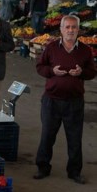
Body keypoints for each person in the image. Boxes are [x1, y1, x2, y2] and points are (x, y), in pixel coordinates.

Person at [34, 15, 96, 184]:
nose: (70, 30)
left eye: (73, 27)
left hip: (74, 102)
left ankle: (74, 172)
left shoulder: (85, 50)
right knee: (47, 136)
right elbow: (40, 66)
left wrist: (81, 72)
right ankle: (42, 167)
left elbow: (92, 72)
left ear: (78, 30)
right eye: (67, 27)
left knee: (75, 138)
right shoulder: (51, 48)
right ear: (61, 29)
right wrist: (52, 71)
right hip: (51, 101)